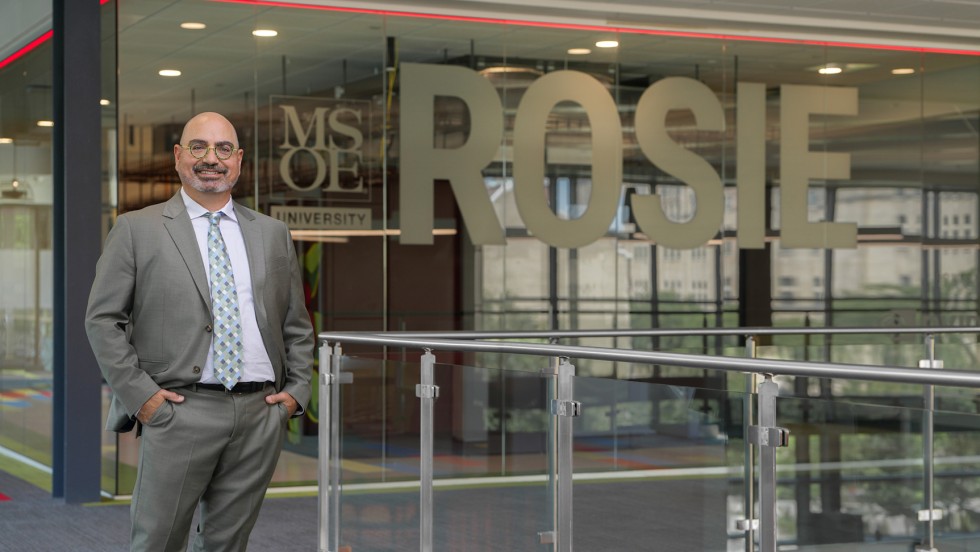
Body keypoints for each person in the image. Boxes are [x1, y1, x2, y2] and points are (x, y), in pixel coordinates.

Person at [85, 112, 314, 551]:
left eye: (223, 149)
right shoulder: (137, 229)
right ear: (178, 156)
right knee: (158, 541)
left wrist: (296, 392)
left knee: (228, 543)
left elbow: (296, 324)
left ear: (239, 159)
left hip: (260, 413)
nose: (212, 159)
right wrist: (143, 398)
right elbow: (102, 320)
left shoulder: (272, 233)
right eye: (198, 147)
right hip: (179, 412)